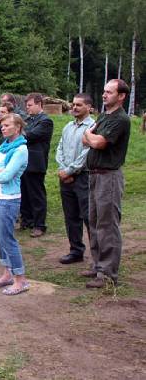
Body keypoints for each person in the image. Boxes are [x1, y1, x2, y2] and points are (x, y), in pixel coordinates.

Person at [81, 79, 131, 288]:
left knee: (107, 225)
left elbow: (98, 142)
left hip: (108, 177)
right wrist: (90, 136)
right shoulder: (104, 116)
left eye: (109, 92)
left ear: (121, 96)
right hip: (94, 175)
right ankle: (97, 265)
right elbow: (86, 141)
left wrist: (89, 135)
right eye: (104, 91)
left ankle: (108, 273)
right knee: (94, 222)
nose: (104, 95)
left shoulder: (121, 119)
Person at [0, 113, 30, 296]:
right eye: (2, 125)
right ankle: (7, 273)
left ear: (18, 128)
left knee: (8, 238)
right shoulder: (1, 148)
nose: (3, 128)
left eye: (7, 125)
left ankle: (20, 279)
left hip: (9, 199)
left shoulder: (21, 150)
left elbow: (7, 176)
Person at [55, 94, 95, 264]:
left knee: (89, 216)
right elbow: (60, 148)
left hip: (83, 177)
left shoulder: (93, 127)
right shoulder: (68, 127)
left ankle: (98, 256)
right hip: (65, 177)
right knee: (71, 216)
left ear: (89, 107)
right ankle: (76, 251)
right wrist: (63, 169)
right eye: (73, 104)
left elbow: (88, 153)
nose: (74, 107)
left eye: (79, 105)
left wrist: (70, 171)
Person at [19, 93, 54, 237]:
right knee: (24, 193)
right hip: (23, 162)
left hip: (36, 163)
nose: (27, 108)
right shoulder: (28, 120)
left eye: (30, 105)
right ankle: (27, 221)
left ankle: (39, 225)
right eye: (26, 105)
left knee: (36, 195)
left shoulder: (46, 121)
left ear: (39, 104)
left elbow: (31, 135)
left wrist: (19, 132)